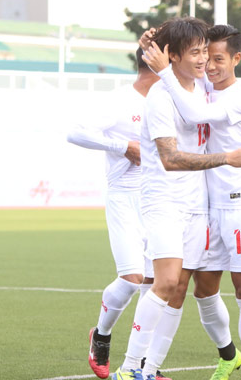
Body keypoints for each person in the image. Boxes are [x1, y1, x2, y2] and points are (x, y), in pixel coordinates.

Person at [112, 18, 241, 380]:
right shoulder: (161, 97)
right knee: (165, 283)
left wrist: (161, 48)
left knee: (183, 288)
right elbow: (171, 158)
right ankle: (129, 367)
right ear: (173, 56)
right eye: (197, 53)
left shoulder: (203, 89)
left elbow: (207, 96)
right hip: (164, 200)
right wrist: (228, 156)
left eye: (207, 53)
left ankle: (150, 369)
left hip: (202, 205)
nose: (205, 61)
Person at [67, 49, 166, 379]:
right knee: (131, 278)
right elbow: (76, 132)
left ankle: (143, 365)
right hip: (125, 197)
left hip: (161, 198)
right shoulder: (121, 100)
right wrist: (123, 146)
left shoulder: (172, 97)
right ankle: (102, 334)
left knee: (156, 285)